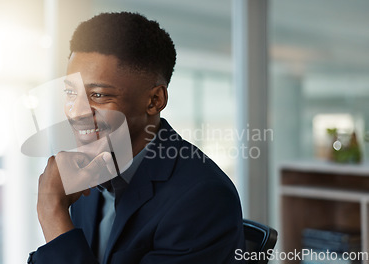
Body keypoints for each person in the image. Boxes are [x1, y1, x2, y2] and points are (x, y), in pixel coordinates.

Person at [27, 12, 245, 264]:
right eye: (70, 92)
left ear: (154, 101)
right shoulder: (88, 173)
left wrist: (52, 213)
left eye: (98, 95)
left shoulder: (203, 197)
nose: (76, 112)